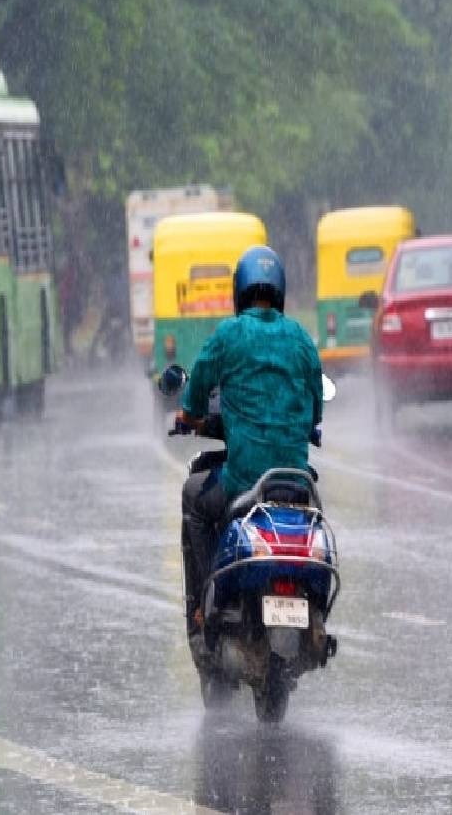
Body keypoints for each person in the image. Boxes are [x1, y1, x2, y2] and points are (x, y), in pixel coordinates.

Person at [176, 245, 324, 639]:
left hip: (243, 481)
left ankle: (205, 606)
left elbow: (197, 389)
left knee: (194, 498)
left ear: (239, 291)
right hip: (295, 484)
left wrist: (189, 416)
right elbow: (315, 412)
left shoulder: (229, 334)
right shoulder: (301, 338)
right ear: (281, 291)